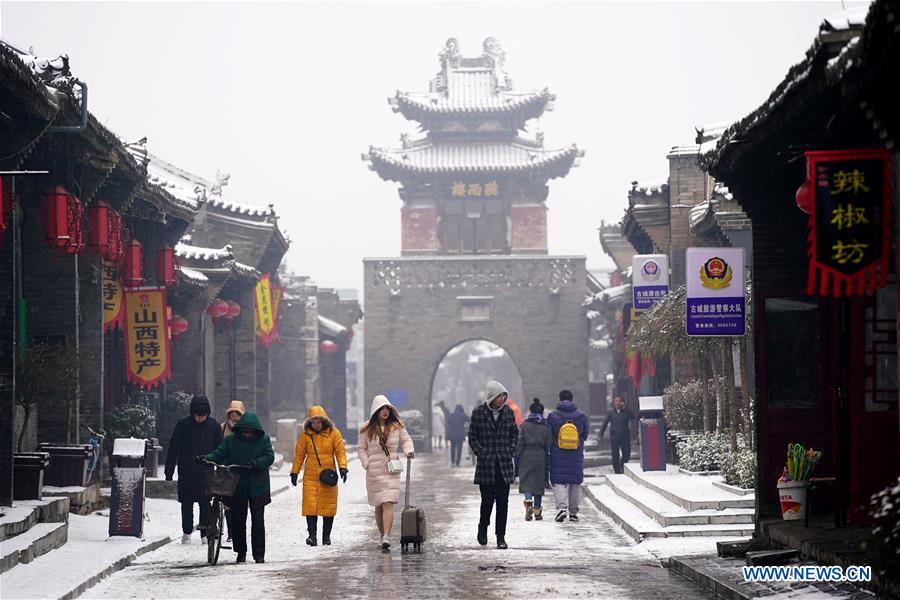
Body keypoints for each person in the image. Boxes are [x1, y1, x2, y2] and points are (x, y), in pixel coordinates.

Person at [205, 411, 274, 564]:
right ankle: (240, 552)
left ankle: (259, 555)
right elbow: (219, 453)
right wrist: (206, 459)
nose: (248, 434)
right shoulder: (231, 441)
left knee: (258, 521)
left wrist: (257, 463)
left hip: (258, 485)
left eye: (250, 432)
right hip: (237, 485)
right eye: (245, 431)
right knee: (237, 521)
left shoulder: (263, 440)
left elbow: (270, 457)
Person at [358, 395, 415, 550]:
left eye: (387, 409)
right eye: (381, 409)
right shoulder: (367, 428)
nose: (384, 411)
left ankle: (386, 536)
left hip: (391, 469)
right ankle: (381, 534)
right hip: (374, 471)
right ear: (375, 411)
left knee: (388, 502)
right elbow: (361, 449)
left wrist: (409, 451)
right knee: (379, 504)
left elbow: (406, 440)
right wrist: (366, 462)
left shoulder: (397, 427)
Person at [164, 395, 223, 545]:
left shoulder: (214, 426)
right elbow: (174, 447)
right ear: (193, 412)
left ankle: (205, 532)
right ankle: (187, 532)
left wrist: (222, 469)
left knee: (205, 503)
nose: (200, 419)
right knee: (186, 503)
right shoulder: (183, 425)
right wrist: (169, 471)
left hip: (206, 471)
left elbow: (221, 449)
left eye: (203, 416)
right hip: (187, 470)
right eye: (198, 415)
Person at [468, 380, 518, 549]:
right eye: (499, 396)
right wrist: (480, 452)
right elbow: (472, 436)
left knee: (503, 503)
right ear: (492, 397)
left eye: (504, 395)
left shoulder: (509, 413)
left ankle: (500, 537)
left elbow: (514, 435)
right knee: (487, 501)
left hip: (504, 464)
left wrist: (511, 449)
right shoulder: (479, 413)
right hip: (486, 465)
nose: (502, 399)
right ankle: (483, 529)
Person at [290, 405, 348, 547]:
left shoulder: (334, 434)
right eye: (313, 421)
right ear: (309, 422)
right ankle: (312, 536)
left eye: (318, 421)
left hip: (327, 476)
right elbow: (299, 455)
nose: (316, 424)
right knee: (310, 506)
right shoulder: (305, 436)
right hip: (310, 475)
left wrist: (343, 468)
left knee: (328, 506)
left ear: (324, 421)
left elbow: (340, 451)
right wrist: (294, 471)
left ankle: (326, 537)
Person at [547, 389, 589, 522]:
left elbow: (549, 435)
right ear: (572, 399)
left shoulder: (553, 416)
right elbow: (585, 435)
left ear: (559, 399)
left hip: (558, 454)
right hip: (575, 454)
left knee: (558, 482)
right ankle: (574, 512)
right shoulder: (581, 417)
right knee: (575, 483)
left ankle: (561, 509)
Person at [516, 399, 552, 521]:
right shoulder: (546, 426)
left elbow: (520, 442)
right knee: (538, 483)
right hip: (540, 456)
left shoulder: (525, 425)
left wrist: (517, 455)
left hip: (526, 455)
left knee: (527, 481)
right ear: (542, 412)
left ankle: (528, 504)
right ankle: (537, 512)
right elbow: (549, 443)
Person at [601, 396, 635, 475]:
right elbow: (605, 423)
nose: (617, 403)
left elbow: (632, 417)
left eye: (619, 401)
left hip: (625, 436)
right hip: (614, 436)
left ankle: (623, 466)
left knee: (626, 453)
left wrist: (625, 408)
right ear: (614, 403)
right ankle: (617, 470)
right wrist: (601, 433)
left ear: (622, 402)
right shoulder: (611, 413)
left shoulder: (626, 411)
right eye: (616, 401)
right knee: (615, 454)